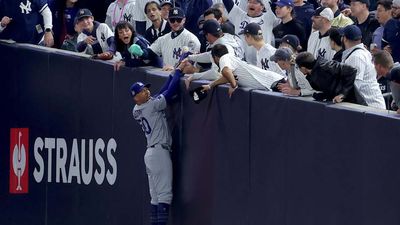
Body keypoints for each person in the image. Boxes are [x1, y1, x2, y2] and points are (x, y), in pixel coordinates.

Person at [130, 61, 186, 225]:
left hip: (151, 153)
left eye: (146, 88)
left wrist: (173, 72)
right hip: (159, 152)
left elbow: (160, 93)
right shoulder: (150, 107)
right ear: (136, 97)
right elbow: (170, 91)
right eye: (142, 91)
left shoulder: (138, 109)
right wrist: (177, 72)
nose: (146, 91)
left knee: (155, 197)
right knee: (164, 195)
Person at [129, 7, 201, 71]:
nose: (175, 23)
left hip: (185, 79)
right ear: (168, 20)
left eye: (178, 20)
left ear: (184, 20)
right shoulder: (163, 39)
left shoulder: (191, 39)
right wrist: (141, 52)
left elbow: (190, 63)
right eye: (172, 20)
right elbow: (150, 53)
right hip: (165, 75)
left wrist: (175, 69)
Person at [202, 44, 285, 97]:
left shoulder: (224, 58)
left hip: (275, 83)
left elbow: (226, 72)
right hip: (273, 83)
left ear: (215, 57)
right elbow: (226, 77)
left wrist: (233, 85)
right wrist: (210, 85)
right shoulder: (231, 59)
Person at [184, 19, 244, 89]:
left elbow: (216, 75)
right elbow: (209, 55)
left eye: (205, 35)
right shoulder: (228, 38)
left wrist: (195, 76)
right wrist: (190, 57)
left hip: (239, 83)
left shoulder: (224, 46)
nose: (205, 38)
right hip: (239, 79)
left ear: (208, 35)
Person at [342, 25, 386, 109]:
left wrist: (341, 95)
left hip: (371, 108)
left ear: (344, 38)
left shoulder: (356, 56)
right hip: (369, 107)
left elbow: (355, 85)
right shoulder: (360, 52)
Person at [222, 0, 280, 64]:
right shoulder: (238, 15)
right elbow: (227, 2)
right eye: (249, 2)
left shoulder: (269, 17)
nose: (251, 4)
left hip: (263, 62)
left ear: (262, 7)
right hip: (242, 62)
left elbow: (275, 4)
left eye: (255, 3)